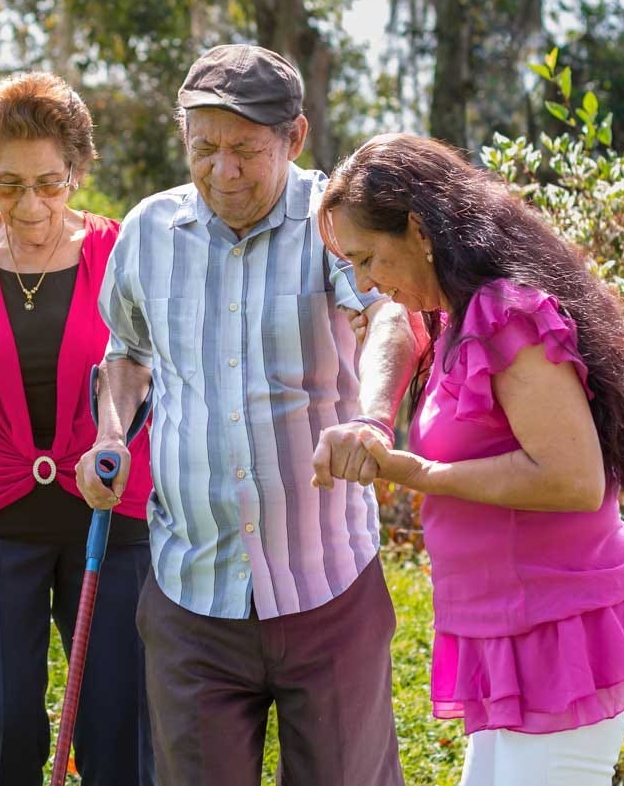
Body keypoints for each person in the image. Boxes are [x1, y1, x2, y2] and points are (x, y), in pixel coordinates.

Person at [76, 45, 419, 785]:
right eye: (204, 149)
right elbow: (127, 353)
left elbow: (391, 316)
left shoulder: (336, 223)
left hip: (325, 586)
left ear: (293, 139)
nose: (222, 172)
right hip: (190, 594)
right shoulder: (147, 231)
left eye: (244, 150)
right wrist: (112, 432)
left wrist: (372, 420)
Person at [318, 132, 624, 786]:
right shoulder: (456, 315)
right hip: (512, 630)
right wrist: (373, 410)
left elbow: (573, 479)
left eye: (368, 257)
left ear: (417, 229)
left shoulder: (505, 315)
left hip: (561, 629)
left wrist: (422, 474)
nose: (365, 282)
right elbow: (394, 328)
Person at [0, 72, 156, 786]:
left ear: (77, 169)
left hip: (113, 514)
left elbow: (162, 381)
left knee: (120, 725)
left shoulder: (122, 251)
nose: (32, 204)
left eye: (50, 182)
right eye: (8, 185)